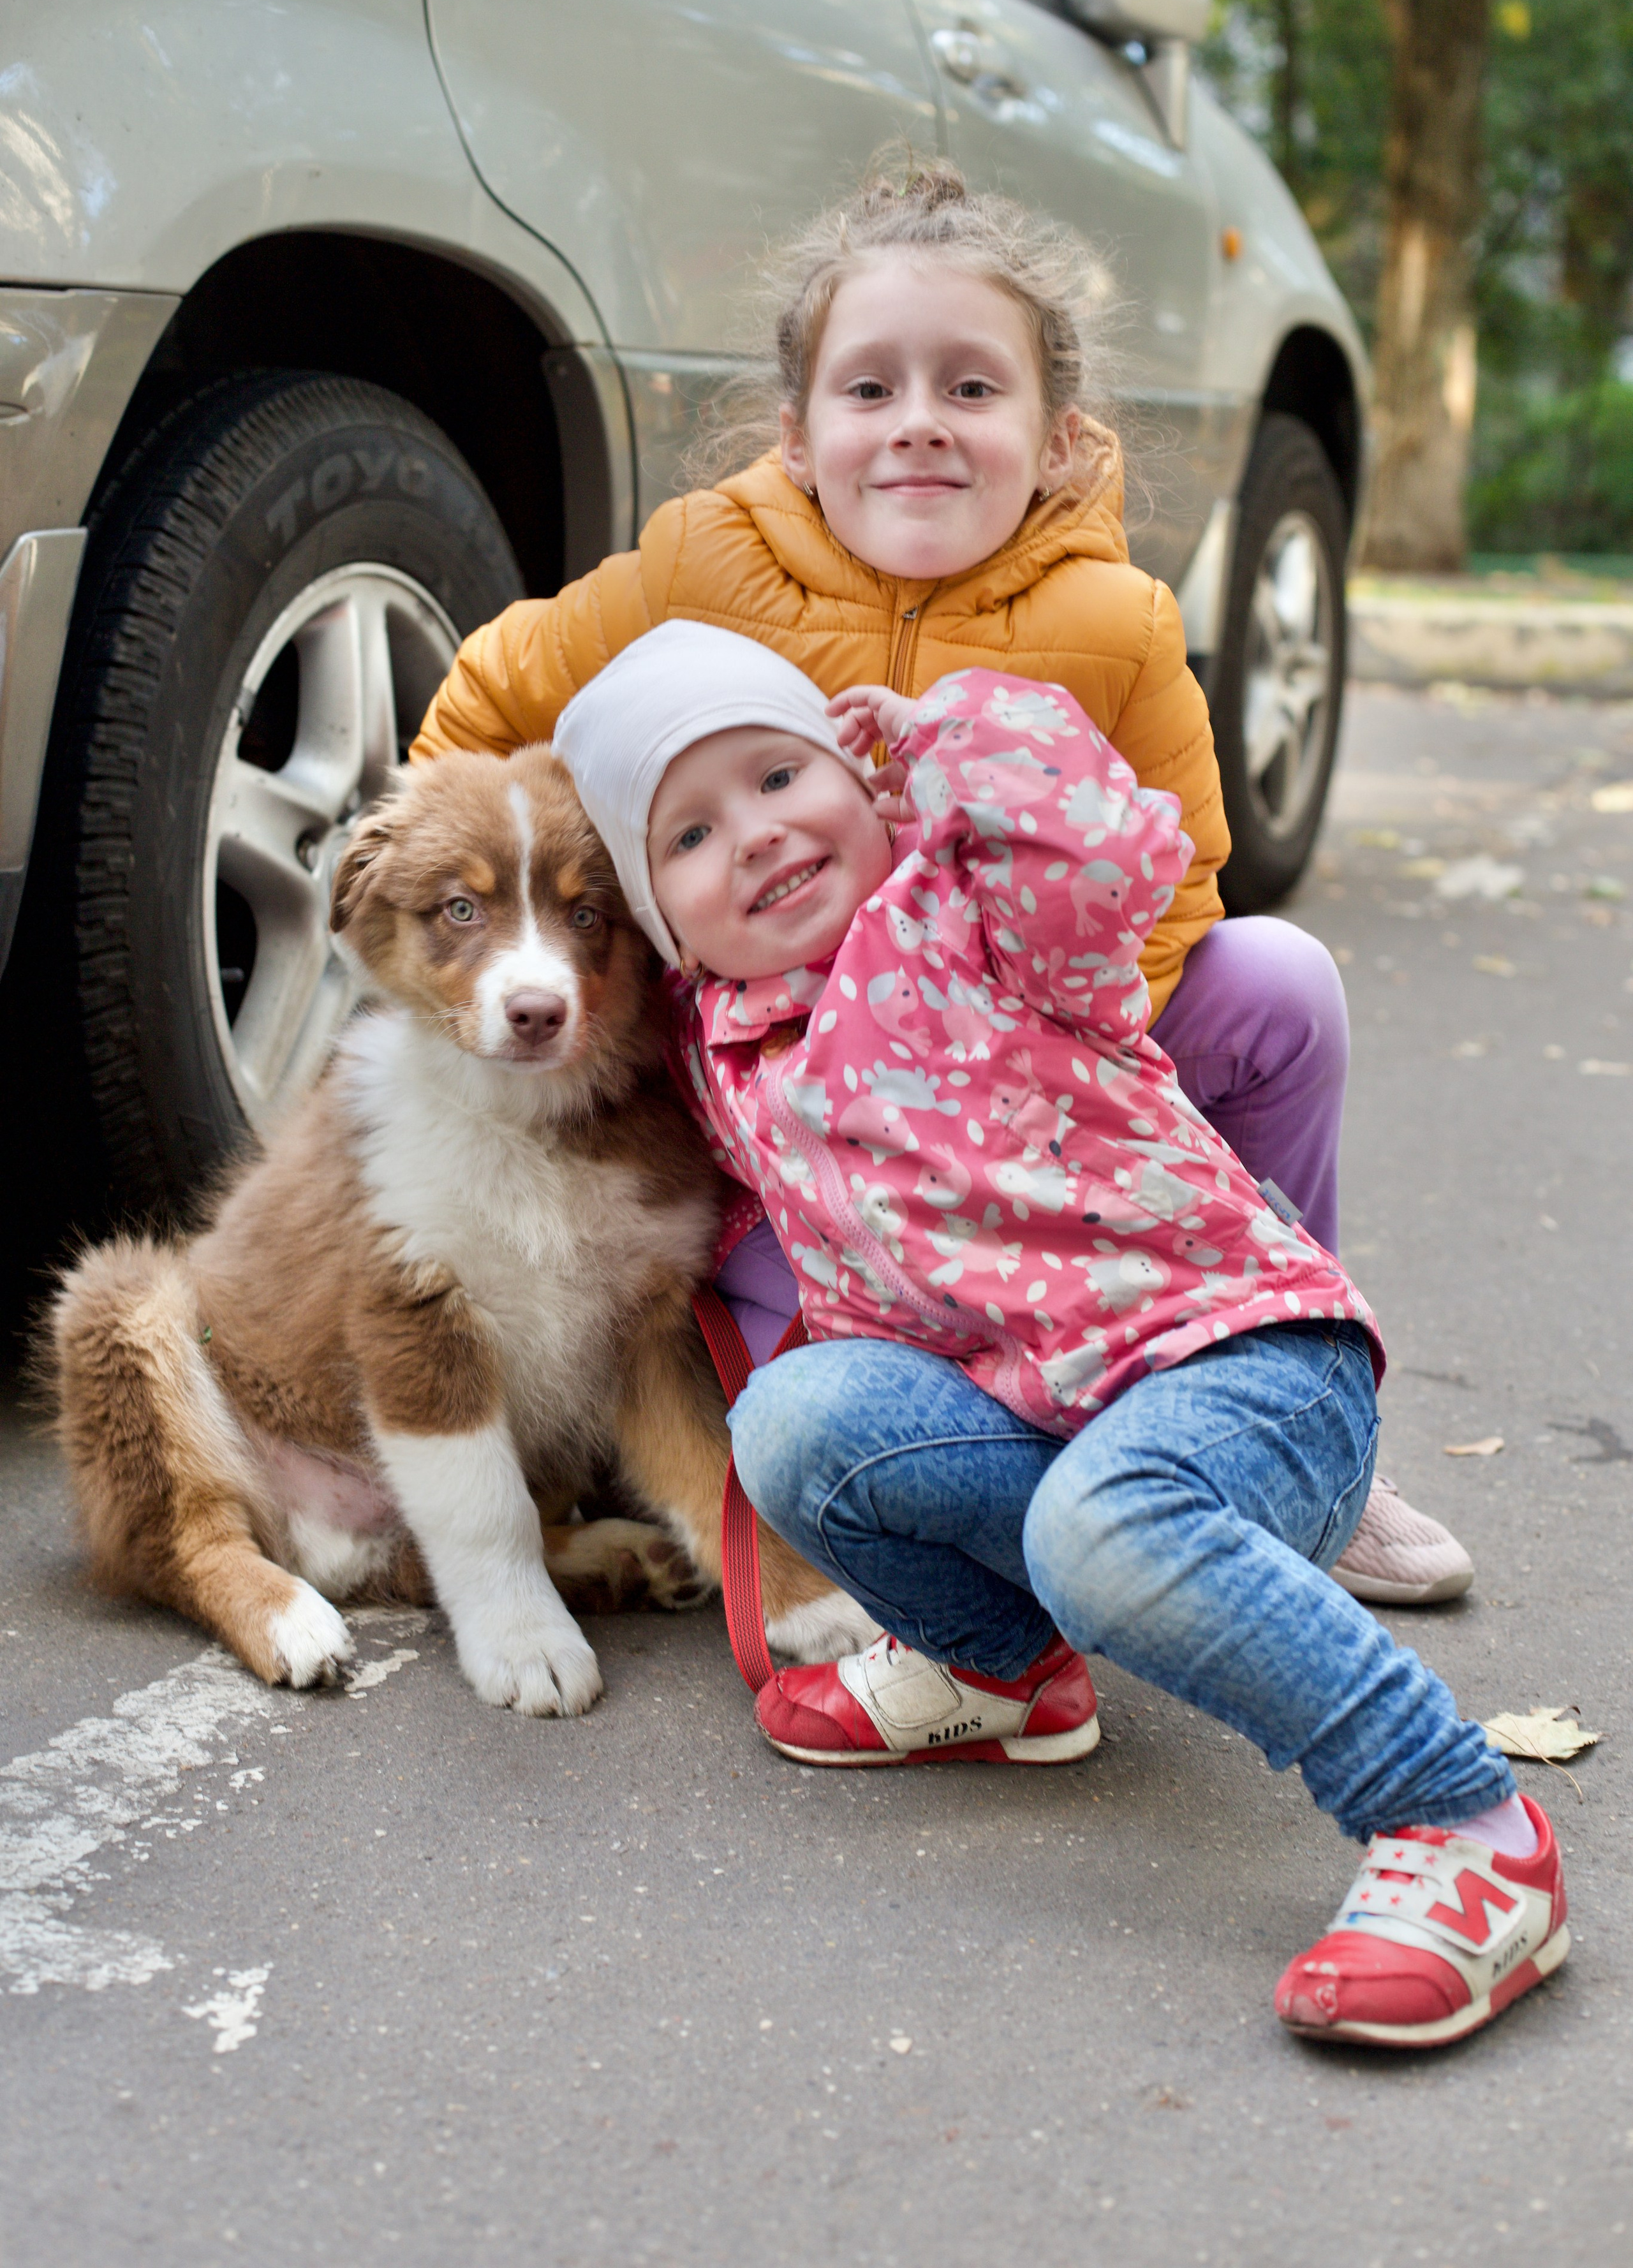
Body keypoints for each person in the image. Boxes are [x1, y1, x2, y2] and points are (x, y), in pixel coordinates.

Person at [411, 160, 1468, 1605]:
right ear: (796, 435)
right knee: (828, 1404)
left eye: (970, 390)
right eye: (869, 391)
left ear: (1057, 441)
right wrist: (500, 942)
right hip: (780, 1120)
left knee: (1279, 982)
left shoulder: (1116, 622)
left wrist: (1019, 1077)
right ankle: (1008, 1481)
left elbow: (1181, 873)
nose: (917, 422)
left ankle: (1280, 1401)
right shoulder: (694, 568)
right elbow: (486, 700)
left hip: (1045, 1065)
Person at [552, 618, 1568, 2051]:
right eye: (693, 836)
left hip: (1249, 1371)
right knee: (790, 1425)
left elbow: (1103, 848)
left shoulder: (972, 917)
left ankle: (1462, 1819)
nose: (758, 838)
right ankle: (998, 1671)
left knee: (1105, 1524)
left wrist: (949, 730)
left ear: (858, 772)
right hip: (1049, 1417)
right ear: (663, 919)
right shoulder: (725, 1052)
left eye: (782, 777)